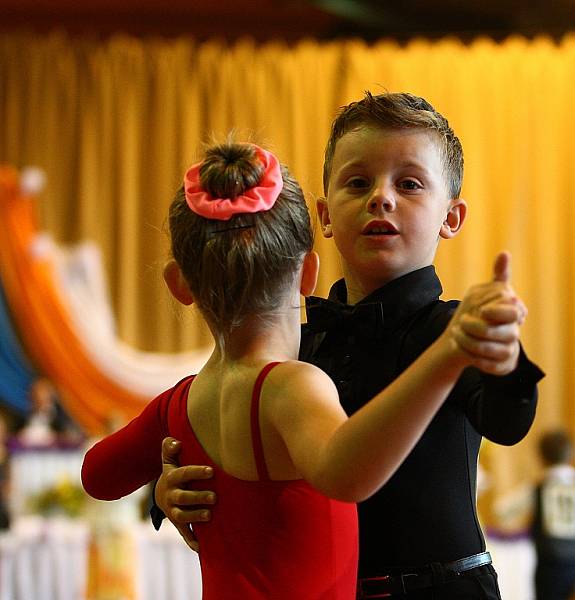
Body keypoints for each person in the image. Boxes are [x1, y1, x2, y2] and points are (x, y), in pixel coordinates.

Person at [81, 140, 528, 599]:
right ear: (308, 268)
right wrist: (167, 493)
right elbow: (345, 473)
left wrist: (496, 355)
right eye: (357, 182)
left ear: (179, 285)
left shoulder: (181, 401)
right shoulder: (295, 379)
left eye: (409, 183)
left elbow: (97, 475)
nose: (380, 197)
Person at [529, 429, 575, 600]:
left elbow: (503, 511)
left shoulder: (536, 489)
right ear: (572, 454)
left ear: (541, 457)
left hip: (546, 564)